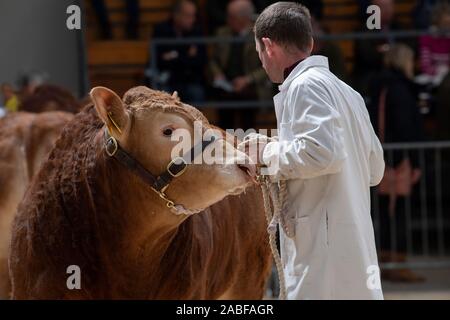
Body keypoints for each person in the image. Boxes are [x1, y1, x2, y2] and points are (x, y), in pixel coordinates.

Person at [241, 2, 385, 299]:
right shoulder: (348, 92)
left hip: (323, 247)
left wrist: (266, 153)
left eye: (259, 54)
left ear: (268, 46)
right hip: (348, 240)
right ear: (309, 42)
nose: (262, 63)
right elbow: (375, 169)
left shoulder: (305, 86)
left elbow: (320, 153)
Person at [368, 44, 425, 282]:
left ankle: (385, 262)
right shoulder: (400, 90)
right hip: (397, 162)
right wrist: (412, 161)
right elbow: (405, 128)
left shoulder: (380, 87)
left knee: (384, 213)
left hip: (383, 159)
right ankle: (396, 264)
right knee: (398, 213)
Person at [209, 0, 271, 130]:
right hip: (226, 84)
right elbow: (213, 60)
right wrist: (217, 74)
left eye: (232, 17)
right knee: (224, 108)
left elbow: (268, 66)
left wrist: (247, 80)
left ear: (244, 19)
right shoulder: (222, 33)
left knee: (247, 109)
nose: (228, 20)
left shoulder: (260, 35)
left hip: (250, 86)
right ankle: (224, 144)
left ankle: (247, 144)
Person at [152, 0, 207, 103]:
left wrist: (174, 55)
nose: (192, 20)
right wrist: (186, 56)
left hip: (190, 80)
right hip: (168, 80)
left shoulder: (197, 31)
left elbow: (201, 61)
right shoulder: (161, 30)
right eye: (188, 16)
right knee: (162, 95)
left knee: (196, 93)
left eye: (193, 16)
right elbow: (159, 61)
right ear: (176, 16)